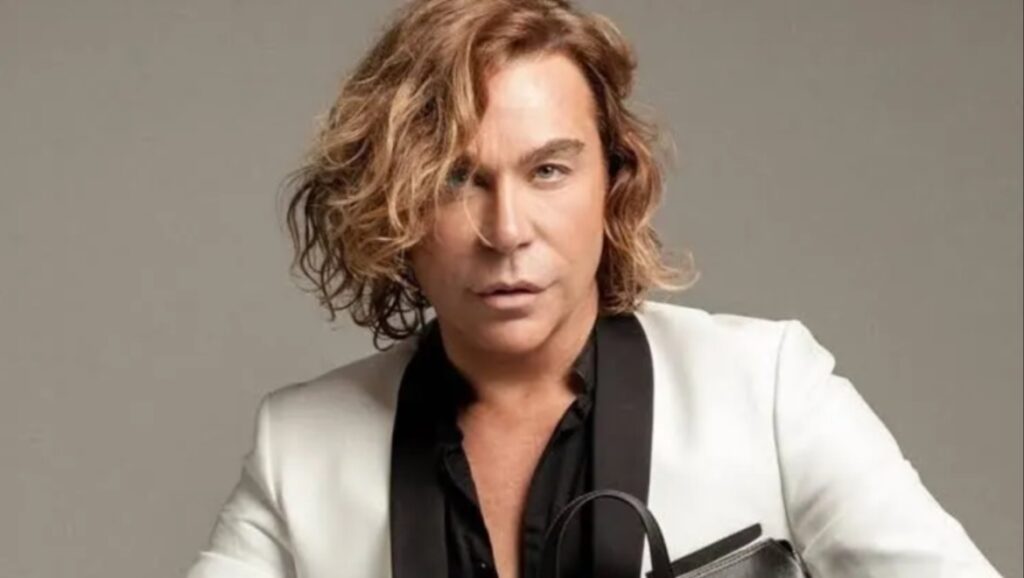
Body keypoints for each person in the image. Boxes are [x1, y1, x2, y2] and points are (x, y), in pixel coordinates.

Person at [185, 0, 1001, 576]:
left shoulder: (770, 391)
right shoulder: (301, 446)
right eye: (457, 180)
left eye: (548, 170)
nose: (507, 229)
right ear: (391, 206)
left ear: (613, 181)